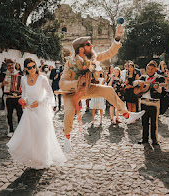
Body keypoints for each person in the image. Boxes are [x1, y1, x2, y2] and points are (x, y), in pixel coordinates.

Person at [59, 24, 145, 152]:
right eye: (88, 44)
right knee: (69, 113)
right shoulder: (70, 63)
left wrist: (117, 38)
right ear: (81, 49)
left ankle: (127, 115)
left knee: (108, 90)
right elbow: (62, 83)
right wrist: (76, 84)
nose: (92, 46)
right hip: (72, 93)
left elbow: (109, 52)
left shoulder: (93, 58)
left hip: (88, 89)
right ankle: (67, 138)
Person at [7, 58, 66, 169]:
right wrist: (23, 100)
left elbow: (49, 93)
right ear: (25, 69)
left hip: (41, 109)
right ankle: (34, 158)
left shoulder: (42, 78)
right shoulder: (24, 79)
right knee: (32, 135)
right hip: (29, 110)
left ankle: (44, 159)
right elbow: (24, 92)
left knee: (41, 135)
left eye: (34, 66)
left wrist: (40, 102)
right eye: (29, 67)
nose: (33, 69)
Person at [134, 61, 166, 146]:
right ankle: (144, 138)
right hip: (144, 102)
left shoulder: (159, 78)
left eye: (152, 69)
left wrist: (157, 87)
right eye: (148, 69)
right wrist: (139, 84)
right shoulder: (143, 77)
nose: (150, 70)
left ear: (155, 69)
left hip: (154, 103)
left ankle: (154, 139)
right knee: (144, 122)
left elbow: (163, 89)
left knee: (154, 122)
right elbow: (135, 84)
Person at [0, 59, 23, 137]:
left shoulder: (20, 73)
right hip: (8, 97)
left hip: (18, 97)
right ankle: (10, 130)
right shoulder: (3, 74)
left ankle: (21, 130)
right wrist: (2, 84)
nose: (10, 66)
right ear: (6, 66)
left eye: (12, 65)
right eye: (8, 65)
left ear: (14, 64)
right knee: (9, 114)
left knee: (20, 114)